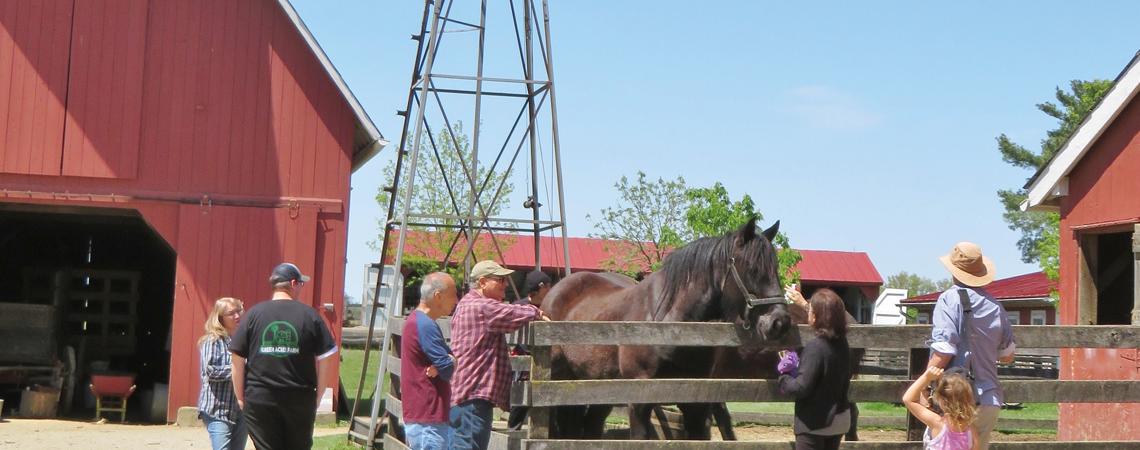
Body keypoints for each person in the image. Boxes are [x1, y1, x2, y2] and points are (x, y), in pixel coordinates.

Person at [230, 263, 338, 450]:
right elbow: (325, 360)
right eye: (301, 284)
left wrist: (240, 398)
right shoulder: (310, 316)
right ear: (293, 283)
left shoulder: (254, 315)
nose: (301, 289)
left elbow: (237, 359)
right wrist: (317, 397)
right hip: (299, 398)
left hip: (259, 397)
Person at [450, 261, 550, 450]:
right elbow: (511, 312)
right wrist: (536, 311)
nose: (506, 284)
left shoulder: (467, 303)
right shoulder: (482, 307)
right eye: (500, 280)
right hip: (473, 397)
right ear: (482, 282)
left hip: (466, 396)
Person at [928, 242, 1016, 449]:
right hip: (988, 397)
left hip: (954, 399)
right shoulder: (995, 306)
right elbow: (1007, 355)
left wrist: (926, 384)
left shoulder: (948, 300)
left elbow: (944, 349)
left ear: (953, 270)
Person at [777, 288, 852, 450]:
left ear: (816, 316)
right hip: (839, 419)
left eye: (810, 311)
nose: (808, 313)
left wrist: (784, 376)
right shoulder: (843, 344)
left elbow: (801, 388)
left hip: (816, 422)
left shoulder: (815, 347)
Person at [401, 272, 459, 450]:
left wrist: (449, 361)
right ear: (438, 296)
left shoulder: (419, 321)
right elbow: (447, 367)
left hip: (425, 418)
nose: (456, 300)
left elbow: (449, 361)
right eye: (453, 295)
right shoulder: (425, 325)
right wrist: (449, 361)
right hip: (428, 419)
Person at [198, 297, 248, 450]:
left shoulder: (242, 341)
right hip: (217, 410)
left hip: (240, 409)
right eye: (231, 313)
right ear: (220, 318)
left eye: (238, 311)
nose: (237, 316)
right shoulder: (212, 341)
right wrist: (241, 369)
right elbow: (212, 371)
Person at [507, 270, 553, 430]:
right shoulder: (519, 306)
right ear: (541, 287)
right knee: (521, 398)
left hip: (548, 358)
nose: (550, 289)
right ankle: (513, 430)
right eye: (548, 286)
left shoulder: (552, 306)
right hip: (524, 356)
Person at [902, 366, 979, 450]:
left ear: (941, 401)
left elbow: (908, 399)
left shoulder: (938, 423)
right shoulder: (971, 431)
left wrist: (926, 377)